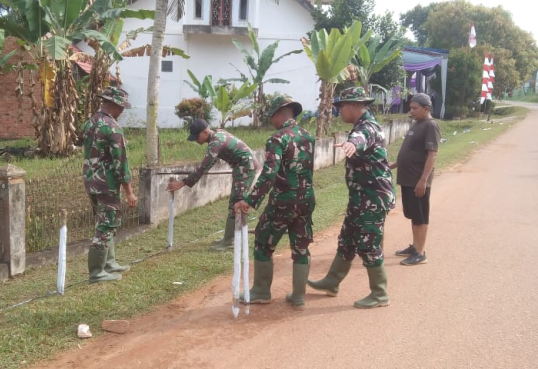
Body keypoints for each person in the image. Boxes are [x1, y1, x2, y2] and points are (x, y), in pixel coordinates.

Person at [307, 87, 395, 309]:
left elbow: (361, 139)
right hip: (361, 196)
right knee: (347, 239)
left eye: (342, 106)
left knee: (368, 244)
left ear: (355, 105)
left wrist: (351, 144)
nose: (340, 111)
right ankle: (332, 282)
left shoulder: (368, 127)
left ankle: (380, 294)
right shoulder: (362, 126)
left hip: (373, 198)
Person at [234, 94, 315, 309]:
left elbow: (269, 173)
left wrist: (250, 200)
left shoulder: (277, 138)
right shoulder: (308, 136)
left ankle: (261, 291)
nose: (271, 121)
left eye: (271, 116)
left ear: (278, 114)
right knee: (301, 246)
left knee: (263, 242)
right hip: (307, 198)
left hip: (283, 201)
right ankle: (298, 296)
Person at [166, 119, 260, 251]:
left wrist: (182, 183)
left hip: (245, 167)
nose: (195, 140)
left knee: (237, 202)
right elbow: (211, 161)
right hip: (243, 166)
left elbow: (203, 167)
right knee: (235, 202)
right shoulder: (218, 134)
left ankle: (229, 241)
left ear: (205, 132)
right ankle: (229, 238)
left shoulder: (215, 143)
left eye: (196, 137)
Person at [82, 87, 138, 283]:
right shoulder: (113, 128)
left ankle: (109, 263)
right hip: (107, 184)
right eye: (121, 107)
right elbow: (120, 162)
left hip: (91, 181)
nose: (122, 111)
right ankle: (97, 272)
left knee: (104, 222)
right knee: (106, 225)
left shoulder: (90, 123)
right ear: (114, 105)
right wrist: (129, 191)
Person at [391, 93, 441, 266]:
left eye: (414, 108)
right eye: (410, 108)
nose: (411, 111)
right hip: (407, 179)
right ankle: (415, 246)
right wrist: (394, 165)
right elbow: (411, 151)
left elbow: (432, 155)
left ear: (426, 108)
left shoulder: (431, 126)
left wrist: (423, 180)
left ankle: (420, 253)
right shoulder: (417, 124)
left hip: (417, 180)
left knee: (420, 216)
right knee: (413, 214)